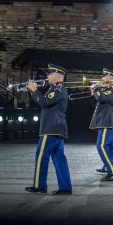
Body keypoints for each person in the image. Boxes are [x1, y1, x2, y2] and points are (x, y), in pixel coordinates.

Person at [25, 63, 72, 195]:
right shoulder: (56, 89)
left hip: (51, 128)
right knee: (58, 158)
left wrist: (34, 90)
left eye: (50, 73)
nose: (47, 76)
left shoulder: (57, 90)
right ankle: (65, 187)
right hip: (57, 128)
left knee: (41, 156)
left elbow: (44, 102)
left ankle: (39, 186)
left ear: (57, 76)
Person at [89, 68, 113, 181]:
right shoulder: (105, 89)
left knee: (102, 146)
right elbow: (96, 101)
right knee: (104, 147)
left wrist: (97, 88)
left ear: (112, 78)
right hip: (104, 121)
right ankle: (111, 170)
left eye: (105, 76)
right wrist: (93, 91)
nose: (102, 78)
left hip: (108, 121)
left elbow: (102, 98)